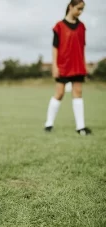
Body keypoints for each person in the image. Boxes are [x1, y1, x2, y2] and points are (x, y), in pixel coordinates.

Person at [44, 0, 91, 136]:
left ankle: (80, 127)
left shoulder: (82, 27)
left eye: (82, 9)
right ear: (71, 7)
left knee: (78, 93)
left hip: (77, 66)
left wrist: (84, 66)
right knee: (59, 94)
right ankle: (49, 124)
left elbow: (82, 48)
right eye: (78, 8)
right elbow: (55, 48)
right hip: (63, 66)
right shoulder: (59, 26)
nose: (80, 12)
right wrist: (55, 66)